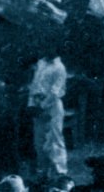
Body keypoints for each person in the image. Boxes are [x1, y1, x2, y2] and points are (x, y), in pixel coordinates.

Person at [28, 47, 69, 181]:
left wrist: (43, 106)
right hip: (37, 103)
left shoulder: (59, 68)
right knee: (39, 140)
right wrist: (32, 105)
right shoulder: (41, 63)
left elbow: (55, 91)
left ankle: (60, 171)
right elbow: (34, 85)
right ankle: (43, 170)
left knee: (55, 138)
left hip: (52, 106)